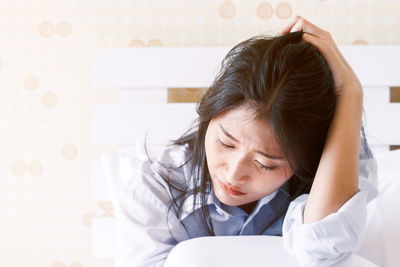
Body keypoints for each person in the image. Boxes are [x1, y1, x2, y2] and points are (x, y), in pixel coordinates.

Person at [106, 16, 378, 267]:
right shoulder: (155, 190)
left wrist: (351, 93)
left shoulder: (339, 171)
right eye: (226, 143)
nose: (233, 174)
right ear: (209, 113)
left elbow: (323, 250)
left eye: (265, 164)